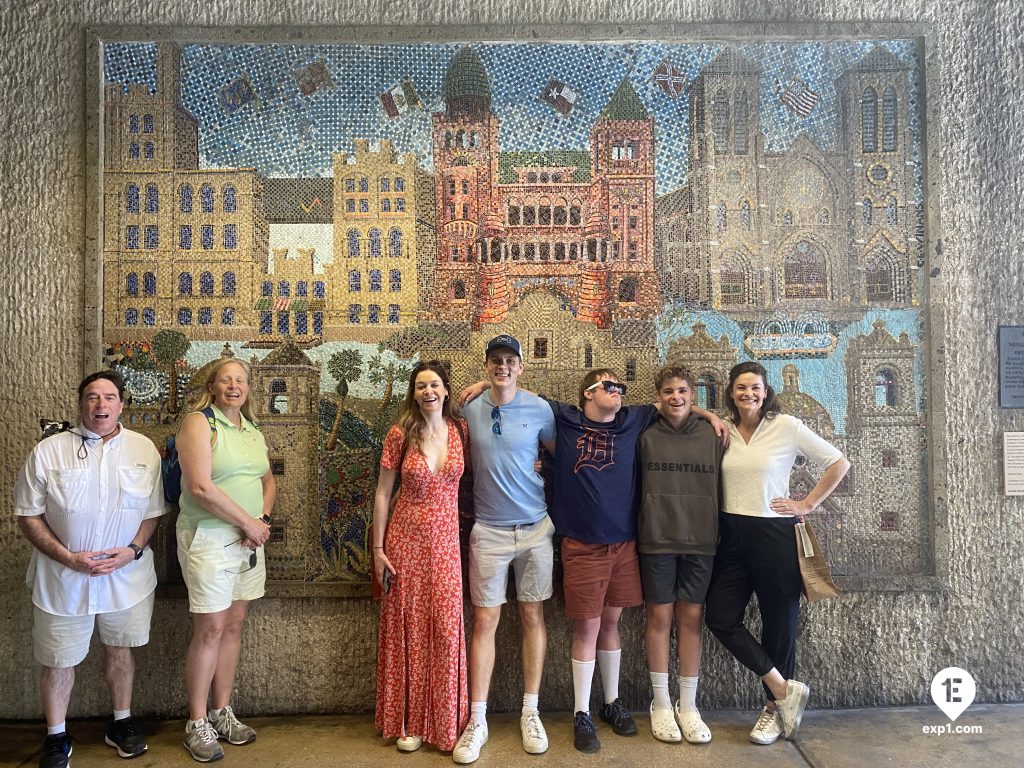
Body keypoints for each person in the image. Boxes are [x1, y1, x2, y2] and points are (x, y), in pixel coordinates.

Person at [14, 370, 166, 768]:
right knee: (58, 659)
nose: (101, 405)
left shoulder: (143, 449)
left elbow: (152, 515)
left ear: (122, 404)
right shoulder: (49, 451)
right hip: (61, 578)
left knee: (121, 650)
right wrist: (67, 557)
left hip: (126, 578)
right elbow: (28, 515)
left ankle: (121, 722)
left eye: (110, 397)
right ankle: (56, 736)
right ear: (81, 403)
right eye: (93, 397)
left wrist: (132, 550)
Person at [704, 361, 850, 745]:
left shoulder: (786, 426)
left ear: (766, 391)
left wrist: (808, 503)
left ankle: (773, 710)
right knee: (720, 618)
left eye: (755, 387)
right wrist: (708, 414)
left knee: (779, 626)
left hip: (774, 533)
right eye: (740, 388)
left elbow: (838, 462)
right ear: (730, 393)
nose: (748, 394)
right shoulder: (723, 430)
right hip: (731, 536)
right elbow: (684, 409)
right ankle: (784, 689)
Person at [452, 335, 557, 765]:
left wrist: (540, 467)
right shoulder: (469, 408)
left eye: (510, 361)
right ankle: (477, 719)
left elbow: (555, 453)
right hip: (489, 531)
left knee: (532, 614)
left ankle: (530, 711)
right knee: (485, 620)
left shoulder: (540, 408)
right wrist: (478, 387)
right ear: (487, 365)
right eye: (496, 361)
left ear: (521, 365)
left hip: (535, 527)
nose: (503, 367)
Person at [175, 358, 275, 762]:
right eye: (226, 380)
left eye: (241, 380)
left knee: (234, 624)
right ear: (213, 386)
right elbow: (200, 487)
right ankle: (196, 722)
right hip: (210, 537)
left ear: (248, 387)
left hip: (250, 541)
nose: (234, 386)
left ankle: (221, 711)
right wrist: (248, 523)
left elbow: (268, 481)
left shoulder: (251, 429)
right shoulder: (201, 423)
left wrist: (261, 522)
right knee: (211, 628)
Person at [371, 361, 469, 754]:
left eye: (435, 385)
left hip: (446, 545)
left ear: (446, 391)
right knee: (406, 629)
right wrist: (378, 549)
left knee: (446, 628)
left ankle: (447, 722)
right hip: (405, 542)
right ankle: (407, 722)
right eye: (421, 385)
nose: (428, 391)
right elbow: (382, 494)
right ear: (413, 393)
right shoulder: (400, 434)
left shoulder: (460, 431)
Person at [638, 365, 725, 745]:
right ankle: (660, 703)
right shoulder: (643, 432)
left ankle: (687, 705)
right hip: (656, 538)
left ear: (694, 395)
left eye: (683, 391)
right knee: (659, 617)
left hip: (701, 540)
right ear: (659, 397)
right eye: (669, 391)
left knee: (692, 618)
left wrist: (708, 415)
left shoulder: (714, 434)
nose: (676, 397)